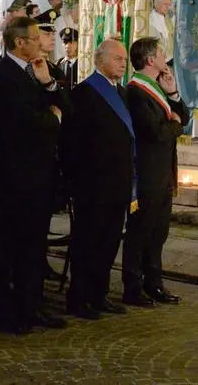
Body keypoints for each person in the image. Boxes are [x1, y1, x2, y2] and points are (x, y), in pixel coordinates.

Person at [0, 16, 68, 334]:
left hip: (41, 172)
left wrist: (48, 85)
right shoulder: (3, 76)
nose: (41, 42)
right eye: (35, 37)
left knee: (35, 244)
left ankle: (32, 304)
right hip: (15, 175)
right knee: (13, 244)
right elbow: (24, 123)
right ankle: (9, 311)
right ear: (19, 42)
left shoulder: (38, 71)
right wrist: (53, 118)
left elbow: (65, 108)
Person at [63, 39, 134, 318]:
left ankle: (99, 293)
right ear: (100, 59)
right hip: (92, 184)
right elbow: (73, 142)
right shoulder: (84, 93)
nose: (123, 64)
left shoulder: (123, 93)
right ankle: (79, 298)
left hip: (118, 182)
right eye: (118, 59)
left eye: (125, 60)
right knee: (87, 241)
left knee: (109, 241)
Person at [123, 38, 190, 305]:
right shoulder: (136, 92)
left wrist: (173, 94)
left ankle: (154, 283)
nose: (165, 57)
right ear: (151, 60)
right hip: (146, 173)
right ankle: (133, 287)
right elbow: (155, 132)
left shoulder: (157, 88)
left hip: (163, 172)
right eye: (161, 53)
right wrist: (174, 124)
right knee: (141, 232)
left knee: (158, 232)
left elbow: (182, 116)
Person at [149, 0, 175, 66]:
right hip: (157, 59)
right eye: (165, 4)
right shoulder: (151, 20)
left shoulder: (167, 19)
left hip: (171, 57)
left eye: (169, 5)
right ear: (157, 5)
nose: (168, 7)